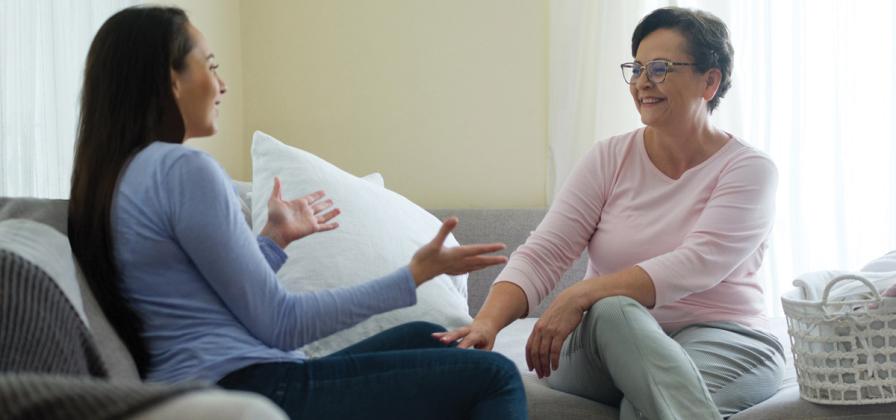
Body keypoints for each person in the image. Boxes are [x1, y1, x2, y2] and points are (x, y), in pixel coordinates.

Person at [66, 6, 526, 420]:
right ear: (170, 79)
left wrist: (272, 242)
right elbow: (281, 323)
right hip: (251, 387)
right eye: (209, 66)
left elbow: (205, 300)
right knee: (495, 376)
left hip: (216, 380)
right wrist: (413, 275)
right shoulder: (185, 168)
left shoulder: (119, 178)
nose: (222, 84)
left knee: (429, 335)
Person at [437, 7, 785, 420]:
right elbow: (544, 252)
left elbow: (699, 262)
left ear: (710, 81)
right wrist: (486, 324)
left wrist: (581, 292)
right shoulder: (609, 157)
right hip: (604, 340)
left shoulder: (749, 169)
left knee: (645, 401)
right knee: (615, 308)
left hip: (724, 337)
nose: (641, 82)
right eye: (636, 68)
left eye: (659, 68)